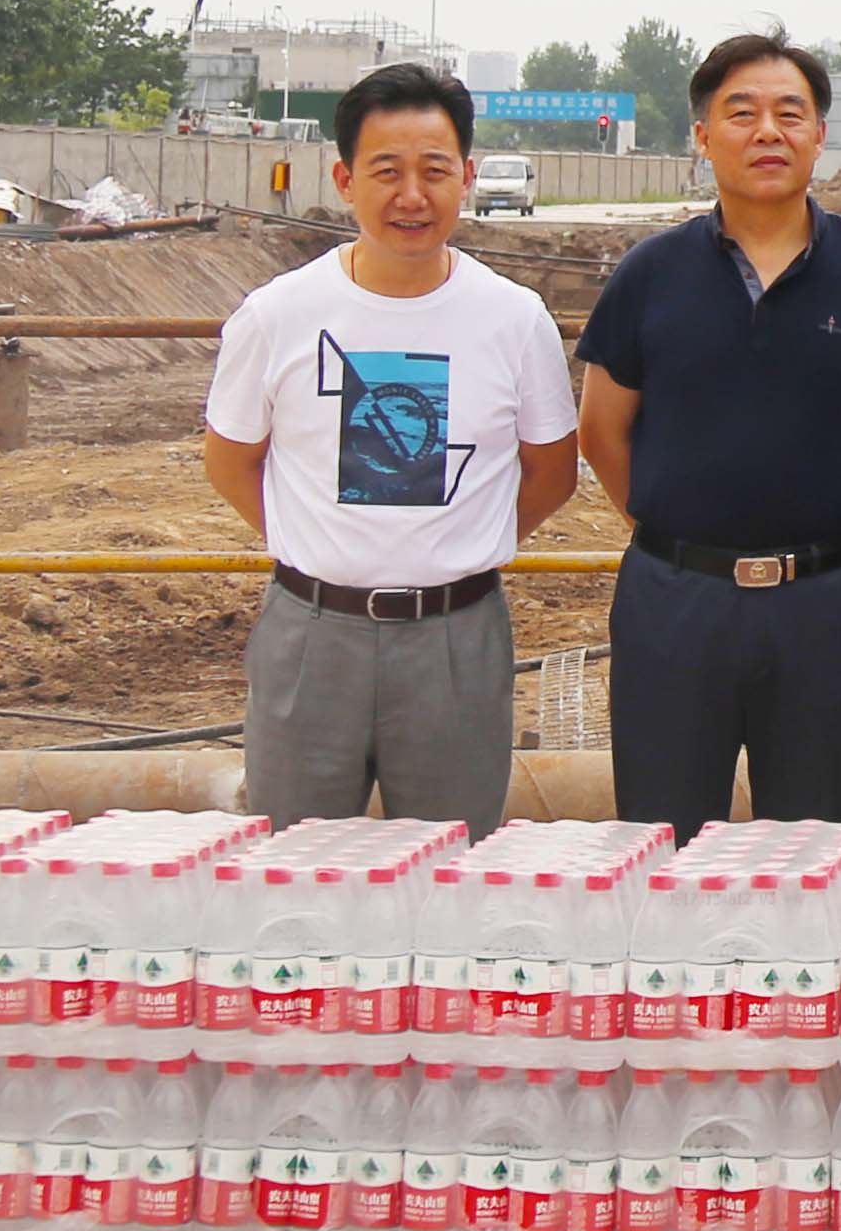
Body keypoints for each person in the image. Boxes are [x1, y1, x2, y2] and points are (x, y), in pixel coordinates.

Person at [199, 59, 582, 831]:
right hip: (311, 636)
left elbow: (552, 471)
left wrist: (459, 546)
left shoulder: (515, 319)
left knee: (451, 866)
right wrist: (322, 548)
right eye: (387, 171)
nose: (413, 195)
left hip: (458, 640)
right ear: (345, 180)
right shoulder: (277, 315)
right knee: (297, 866)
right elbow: (231, 461)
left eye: (435, 170)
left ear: (466, 176)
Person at [573, 31, 841, 830]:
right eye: (741, 113)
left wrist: (825, 513)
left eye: (789, 113)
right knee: (663, 837)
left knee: (809, 843)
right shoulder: (651, 273)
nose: (767, 131)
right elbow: (601, 433)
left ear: (820, 135)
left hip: (823, 604)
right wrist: (681, 529)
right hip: (675, 603)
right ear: (704, 137)